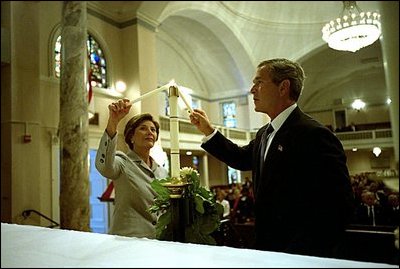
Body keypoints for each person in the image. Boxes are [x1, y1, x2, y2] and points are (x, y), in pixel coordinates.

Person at [189, 58, 355, 258]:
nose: (252, 90)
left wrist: (303, 252)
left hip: (301, 254)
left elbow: (338, 203)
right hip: (268, 248)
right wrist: (208, 131)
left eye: (259, 82)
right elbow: (241, 159)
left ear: (283, 87)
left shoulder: (314, 134)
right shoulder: (264, 133)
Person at [95, 98, 168, 238]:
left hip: (158, 241)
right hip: (128, 240)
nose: (149, 132)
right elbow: (104, 167)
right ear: (131, 137)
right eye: (143, 128)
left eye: (153, 129)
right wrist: (113, 121)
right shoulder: (123, 162)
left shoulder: (162, 171)